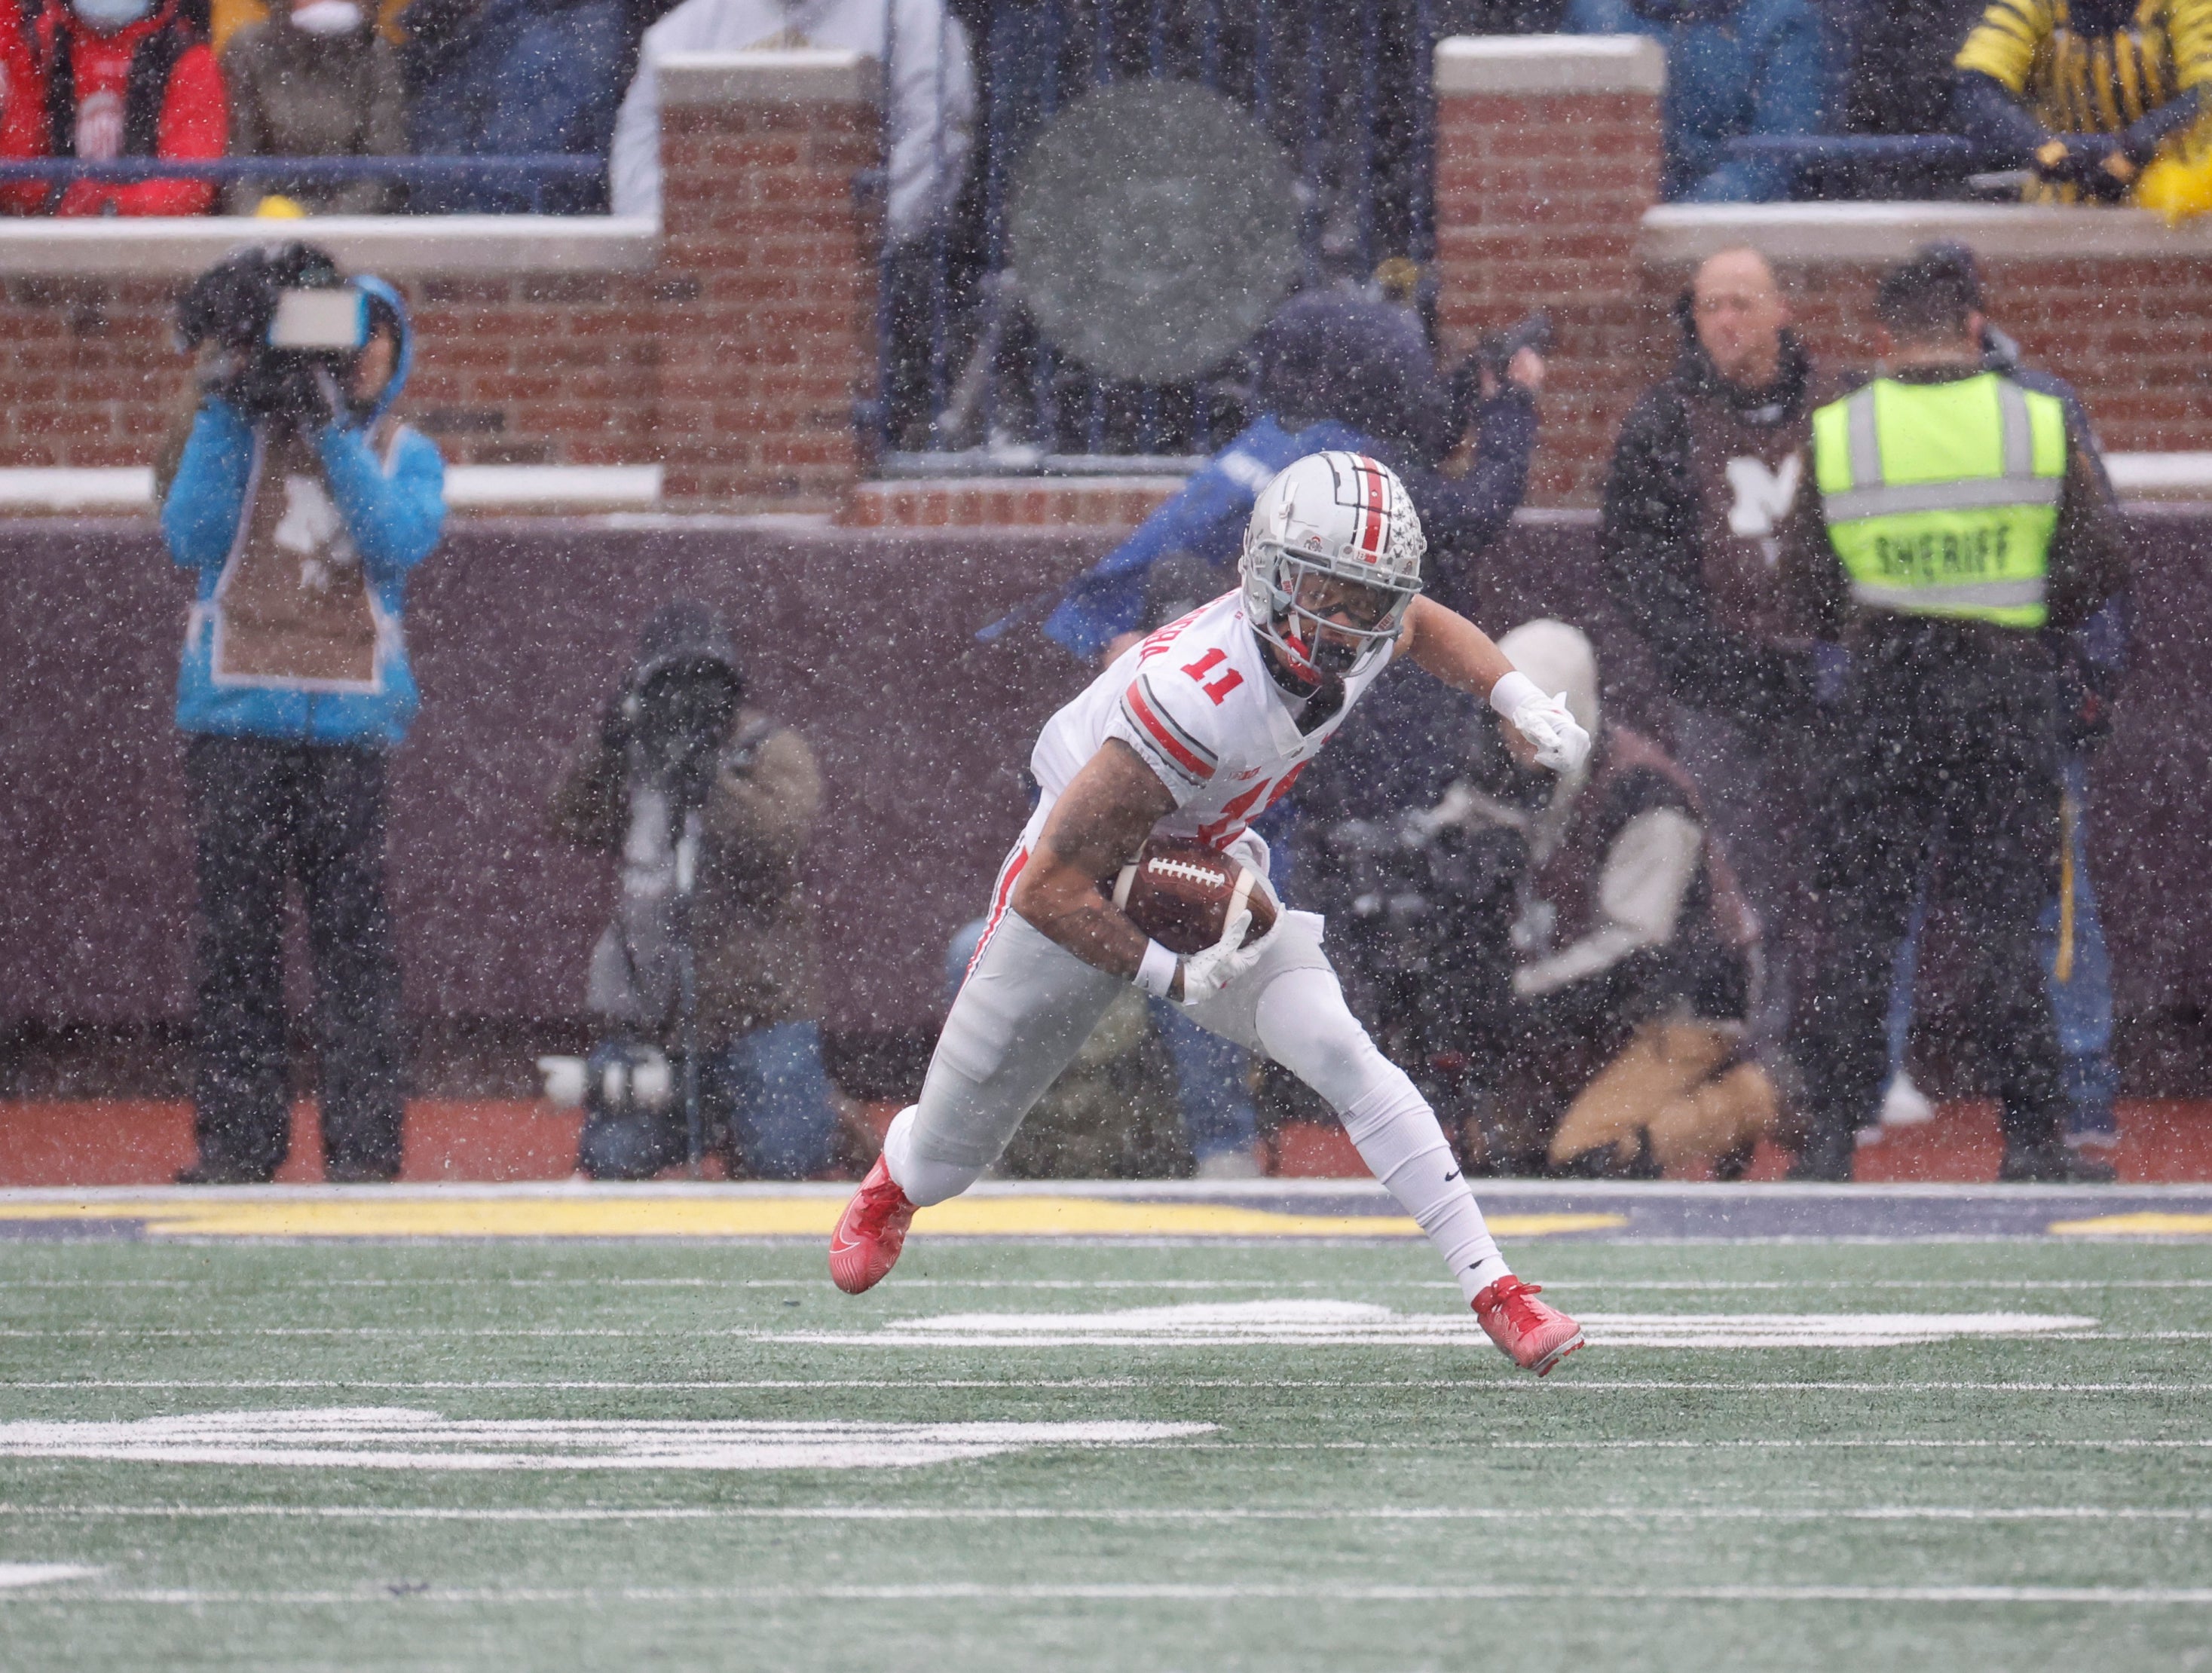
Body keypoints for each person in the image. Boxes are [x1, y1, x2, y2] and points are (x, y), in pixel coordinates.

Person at [829, 450, 1596, 1378]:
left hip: (1205, 861)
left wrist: (1513, 694)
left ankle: (1498, 1290)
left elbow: (1417, 625)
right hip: (1076, 879)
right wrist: (1167, 975)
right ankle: (897, 1176)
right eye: (1329, 591)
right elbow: (1051, 884)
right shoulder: (1196, 697)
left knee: (1339, 1049)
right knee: (951, 1160)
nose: (1349, 621)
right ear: (1272, 575)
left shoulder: (1353, 633)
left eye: (1366, 596)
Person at [1779, 249, 2130, 1182]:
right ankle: (2030, 1142)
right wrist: (2024, 620)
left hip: (1884, 690)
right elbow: (2104, 562)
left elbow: (1802, 585)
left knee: (1862, 924)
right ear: (1975, 329)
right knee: (2007, 925)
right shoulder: (2039, 420)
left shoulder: (1841, 429)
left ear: (1884, 339)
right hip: (2003, 691)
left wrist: (1881, 619)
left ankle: (1825, 1144)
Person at [161, 242, 445, 1183]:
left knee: (352, 949)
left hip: (348, 732)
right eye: (338, 340)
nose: (352, 360)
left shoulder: (406, 453)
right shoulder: (238, 435)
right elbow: (189, 534)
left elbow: (397, 541)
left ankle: (364, 1154)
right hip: (237, 722)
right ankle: (238, 1146)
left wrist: (330, 434)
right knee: (236, 941)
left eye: (371, 345)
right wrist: (225, 402)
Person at [1595, 245, 1832, 1106]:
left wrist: (1829, 648)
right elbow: (1635, 560)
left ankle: (1842, 1055)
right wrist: (1711, 656)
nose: (1726, 322)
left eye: (1741, 302)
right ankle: (1759, 1050)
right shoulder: (1663, 423)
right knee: (1737, 874)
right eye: (1709, 307)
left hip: (1825, 687)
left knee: (1835, 876)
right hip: (1719, 693)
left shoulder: (1835, 411)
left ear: (1781, 310)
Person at [1406, 619, 1770, 1177]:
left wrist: (1513, 997)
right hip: (1574, 1000)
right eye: (1509, 721)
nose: (1519, 740)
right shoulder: (1496, 771)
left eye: (1535, 723)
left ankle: (1748, 1099)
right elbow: (1446, 840)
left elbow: (1638, 950)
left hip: (1682, 998)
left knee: (1588, 1159)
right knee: (1496, 1153)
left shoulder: (1646, 796)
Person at [548, 601, 839, 1182]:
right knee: (611, 1158)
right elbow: (570, 818)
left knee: (789, 1156)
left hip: (757, 1014)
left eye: (705, 686)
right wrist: (609, 749)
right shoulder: (635, 757)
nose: (687, 704)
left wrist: (712, 781)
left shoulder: (768, 750)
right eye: (671, 686)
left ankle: (819, 1115)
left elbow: (779, 837)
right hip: (653, 1022)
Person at [609, 0, 974, 442]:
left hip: (877, 277)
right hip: (716, 281)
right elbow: (639, 159)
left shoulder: (912, 19)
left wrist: (848, 244)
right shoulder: (690, 28)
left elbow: (933, 146)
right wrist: (697, 248)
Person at [1563, 0, 1831, 203]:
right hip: (1614, 220)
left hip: (1733, 230)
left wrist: (1693, 213)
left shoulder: (1782, 19)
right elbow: (1568, 137)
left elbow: (1778, 150)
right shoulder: (1596, 15)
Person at [1955, 0, 2212, 205]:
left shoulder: (2184, 5)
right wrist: (2037, 145)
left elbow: (2206, 91)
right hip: (2061, 207)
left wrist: (2135, 145)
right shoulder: (2037, 5)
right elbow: (1976, 87)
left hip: (2175, 203)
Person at [401, 0, 626, 213]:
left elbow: (519, 160)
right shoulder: (447, 40)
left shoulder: (535, 49)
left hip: (506, 222)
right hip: (461, 220)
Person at [33, 0, 228, 216]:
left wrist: (107, 205)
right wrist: (57, 201)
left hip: (152, 241)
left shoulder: (189, 58)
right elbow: (17, 169)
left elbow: (190, 185)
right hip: (48, 237)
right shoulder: (43, 47)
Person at [219, 0, 408, 214]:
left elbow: (384, 167)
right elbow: (239, 161)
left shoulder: (375, 54)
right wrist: (261, 220)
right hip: (265, 226)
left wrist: (316, 221)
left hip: (350, 231)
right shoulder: (250, 49)